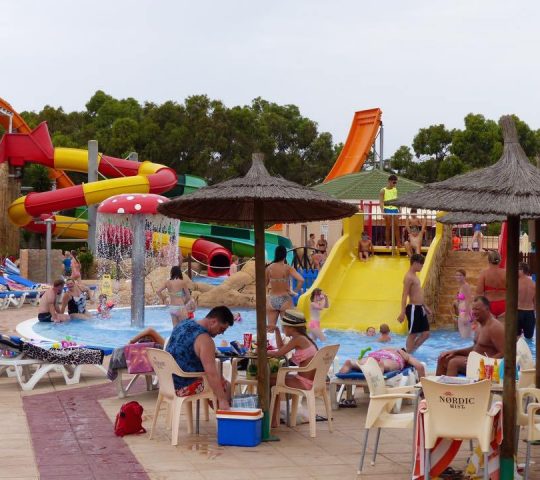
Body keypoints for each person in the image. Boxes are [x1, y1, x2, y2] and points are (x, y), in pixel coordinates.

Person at [166, 306, 234, 409]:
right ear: (213, 322)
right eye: (221, 329)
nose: (221, 333)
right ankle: (224, 416)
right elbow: (211, 374)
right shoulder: (205, 340)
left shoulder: (183, 324)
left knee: (216, 380)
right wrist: (222, 399)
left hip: (167, 382)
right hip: (182, 387)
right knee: (224, 385)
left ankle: (220, 412)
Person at [267, 310, 318, 427]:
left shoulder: (298, 339)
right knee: (274, 380)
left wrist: (259, 352)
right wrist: (277, 331)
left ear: (291, 327)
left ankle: (271, 419)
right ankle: (274, 420)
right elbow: (281, 348)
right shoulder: (302, 338)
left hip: (303, 383)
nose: (283, 328)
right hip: (308, 380)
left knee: (267, 381)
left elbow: (279, 353)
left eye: (284, 326)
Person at [436, 296, 505, 376]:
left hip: (486, 366)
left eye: (477, 309)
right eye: (473, 309)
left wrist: (485, 362)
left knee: (454, 363)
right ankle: (437, 387)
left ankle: (450, 388)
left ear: (487, 309)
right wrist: (455, 352)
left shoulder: (495, 327)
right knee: (443, 358)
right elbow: (476, 347)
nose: (474, 312)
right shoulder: (480, 325)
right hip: (475, 362)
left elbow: (504, 352)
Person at [397, 253, 431, 353]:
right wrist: (402, 312)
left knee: (426, 334)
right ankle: (408, 354)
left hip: (420, 308)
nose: (422, 266)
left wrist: (425, 306)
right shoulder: (408, 277)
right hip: (413, 308)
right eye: (421, 264)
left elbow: (418, 293)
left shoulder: (415, 276)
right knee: (413, 334)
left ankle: (410, 352)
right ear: (415, 263)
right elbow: (404, 295)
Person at [266, 245, 304, 331]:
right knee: (287, 331)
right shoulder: (287, 268)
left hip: (272, 299)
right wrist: (294, 292)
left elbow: (264, 284)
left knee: (270, 331)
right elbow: (301, 280)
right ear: (285, 255)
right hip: (285, 299)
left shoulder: (269, 268)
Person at [339, 347, 425, 379]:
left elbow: (377, 351)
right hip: (392, 359)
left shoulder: (385, 348)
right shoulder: (402, 354)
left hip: (376, 355)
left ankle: (350, 363)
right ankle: (381, 369)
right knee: (387, 364)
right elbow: (420, 366)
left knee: (364, 362)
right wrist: (423, 389)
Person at [476, 250, 506, 318]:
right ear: (500, 260)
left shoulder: (484, 274)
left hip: (488, 306)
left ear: (488, 260)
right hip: (504, 306)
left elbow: (479, 294)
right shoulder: (506, 273)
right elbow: (513, 293)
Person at [379, 175, 401, 249]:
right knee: (388, 227)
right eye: (394, 182)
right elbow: (381, 202)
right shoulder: (383, 190)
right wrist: (382, 212)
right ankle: (387, 244)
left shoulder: (395, 189)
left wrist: (400, 210)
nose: (395, 184)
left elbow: (396, 200)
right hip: (387, 208)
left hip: (394, 209)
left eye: (395, 183)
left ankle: (398, 244)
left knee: (396, 227)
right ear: (389, 181)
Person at [453, 269, 474, 339]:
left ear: (464, 276)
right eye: (457, 275)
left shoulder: (465, 286)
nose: (458, 277)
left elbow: (468, 300)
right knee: (464, 337)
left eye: (460, 275)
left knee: (465, 337)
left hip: (465, 313)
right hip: (462, 312)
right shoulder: (461, 286)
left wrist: (466, 315)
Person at [518, 262, 536, 339]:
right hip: (530, 314)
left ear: (522, 270)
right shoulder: (533, 284)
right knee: (529, 339)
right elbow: (535, 302)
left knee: (516, 338)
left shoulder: (516, 283)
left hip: (517, 312)